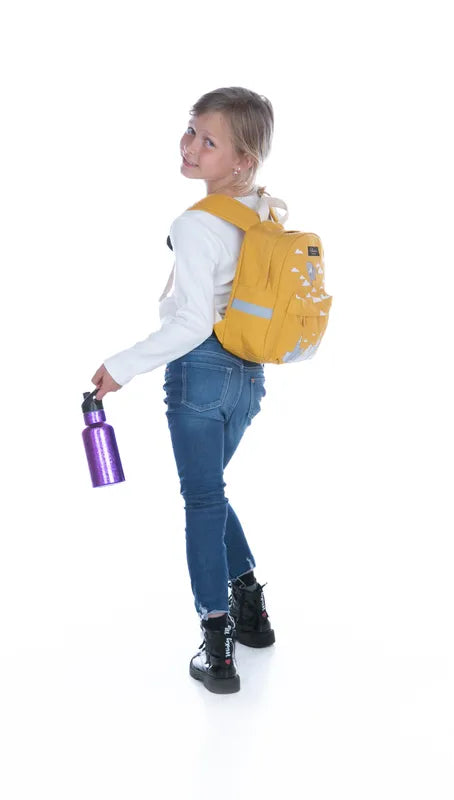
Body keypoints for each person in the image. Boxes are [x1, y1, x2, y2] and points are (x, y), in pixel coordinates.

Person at [91, 86, 287, 694]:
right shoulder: (264, 214)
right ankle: (250, 606)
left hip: (201, 374)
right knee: (210, 492)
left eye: (209, 141)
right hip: (248, 378)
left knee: (202, 501)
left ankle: (218, 648)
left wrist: (122, 365)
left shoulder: (197, 223)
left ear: (242, 160)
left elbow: (193, 323)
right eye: (191, 130)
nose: (191, 145)